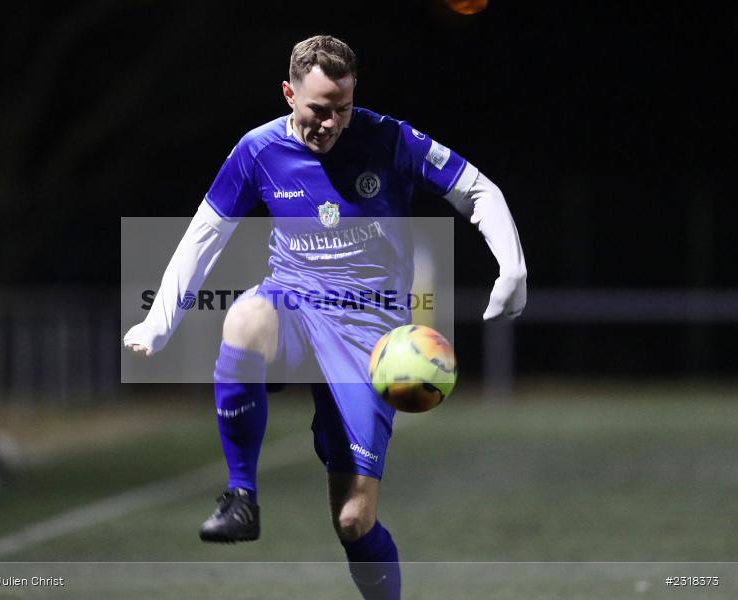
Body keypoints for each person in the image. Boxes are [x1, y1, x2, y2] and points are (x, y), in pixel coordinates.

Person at [124, 35, 526, 599]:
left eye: (342, 108)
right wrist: (158, 322)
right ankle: (241, 498)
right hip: (294, 305)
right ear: (289, 94)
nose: (331, 122)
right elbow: (204, 237)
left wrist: (512, 268)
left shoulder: (389, 139)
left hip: (370, 338)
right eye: (317, 109)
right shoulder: (259, 150)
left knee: (353, 521)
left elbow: (479, 192)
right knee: (243, 320)